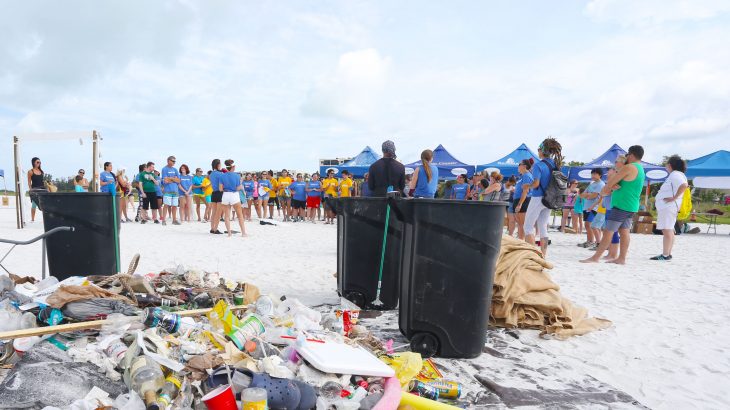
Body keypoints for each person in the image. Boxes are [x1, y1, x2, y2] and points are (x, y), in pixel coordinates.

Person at [581, 145, 646, 264]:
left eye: (627, 155)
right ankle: (621, 258)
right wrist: (611, 186)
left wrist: (610, 186)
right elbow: (612, 186)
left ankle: (595, 258)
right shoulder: (641, 169)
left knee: (608, 231)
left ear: (631, 155)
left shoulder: (629, 167)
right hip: (631, 205)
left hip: (621, 205)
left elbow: (609, 184)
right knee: (624, 231)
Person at [524, 137, 563, 256]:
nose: (538, 151)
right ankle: (543, 255)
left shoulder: (538, 165)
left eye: (538, 149)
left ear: (543, 150)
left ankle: (533, 255)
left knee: (528, 227)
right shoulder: (555, 165)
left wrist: (527, 186)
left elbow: (535, 183)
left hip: (538, 198)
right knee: (543, 227)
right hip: (550, 199)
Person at [652, 155, 688, 261]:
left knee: (667, 230)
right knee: (669, 229)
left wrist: (674, 197)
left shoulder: (675, 174)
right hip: (669, 207)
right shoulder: (676, 174)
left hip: (668, 207)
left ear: (670, 165)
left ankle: (665, 254)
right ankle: (668, 253)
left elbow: (684, 185)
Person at [218, 160, 247, 237]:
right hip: (234, 195)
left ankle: (229, 233)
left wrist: (226, 189)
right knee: (240, 215)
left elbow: (220, 189)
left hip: (225, 195)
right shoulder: (237, 176)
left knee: (227, 216)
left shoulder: (222, 176)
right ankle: (243, 233)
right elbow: (238, 188)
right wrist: (239, 187)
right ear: (233, 167)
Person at [578, 169, 605, 248]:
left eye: (595, 174)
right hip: (586, 206)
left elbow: (594, 196)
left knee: (590, 225)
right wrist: (588, 195)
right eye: (592, 174)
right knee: (587, 225)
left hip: (594, 207)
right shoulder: (592, 184)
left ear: (600, 175)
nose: (593, 176)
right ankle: (589, 241)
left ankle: (592, 241)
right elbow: (582, 194)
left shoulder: (601, 184)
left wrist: (588, 195)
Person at [514, 159, 534, 240]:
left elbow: (525, 191)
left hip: (523, 200)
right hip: (519, 199)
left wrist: (520, 204)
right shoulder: (523, 175)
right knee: (519, 223)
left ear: (525, 166)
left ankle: (522, 241)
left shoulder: (527, 175)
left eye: (519, 164)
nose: (518, 166)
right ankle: (520, 240)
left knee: (523, 223)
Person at [160, 156, 181, 226]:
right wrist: (173, 178)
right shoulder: (164, 169)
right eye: (172, 161)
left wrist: (171, 179)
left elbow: (179, 180)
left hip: (175, 191)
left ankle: (174, 220)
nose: (174, 162)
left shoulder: (175, 169)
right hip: (167, 190)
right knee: (166, 205)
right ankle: (163, 220)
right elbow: (165, 180)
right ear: (168, 160)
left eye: (175, 161)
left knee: (175, 206)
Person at [27, 157, 47, 222]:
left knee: (44, 204)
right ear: (33, 163)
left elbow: (42, 181)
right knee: (34, 204)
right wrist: (30, 190)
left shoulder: (41, 171)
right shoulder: (30, 171)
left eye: (40, 162)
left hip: (42, 189)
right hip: (34, 190)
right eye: (37, 162)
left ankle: (45, 219)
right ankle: (32, 219)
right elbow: (29, 182)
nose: (39, 163)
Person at [209, 159, 224, 234]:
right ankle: (215, 229)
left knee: (213, 212)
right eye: (220, 164)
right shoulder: (220, 174)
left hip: (213, 193)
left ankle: (212, 228)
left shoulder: (211, 174)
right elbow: (222, 185)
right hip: (219, 193)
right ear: (217, 165)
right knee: (218, 212)